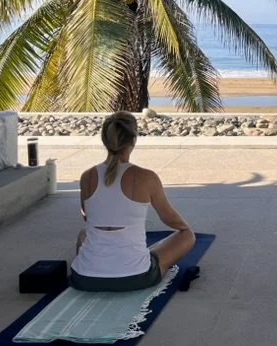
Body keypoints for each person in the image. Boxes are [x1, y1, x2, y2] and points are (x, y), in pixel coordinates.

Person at [71, 111, 195, 291]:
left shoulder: (87, 176)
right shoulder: (146, 177)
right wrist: (185, 228)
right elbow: (169, 218)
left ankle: (96, 266)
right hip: (137, 277)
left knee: (83, 234)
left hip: (84, 278)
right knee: (187, 236)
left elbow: (87, 217)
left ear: (105, 140)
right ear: (133, 140)